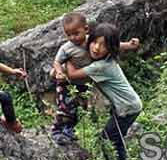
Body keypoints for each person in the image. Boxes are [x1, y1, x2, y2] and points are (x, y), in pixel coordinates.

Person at [64, 23, 142, 160]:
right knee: (115, 138)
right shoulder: (106, 55)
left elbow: (72, 75)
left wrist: (67, 58)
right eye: (94, 43)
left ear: (110, 49)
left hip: (127, 107)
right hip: (128, 104)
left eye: (103, 46)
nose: (96, 48)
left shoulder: (101, 66)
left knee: (106, 139)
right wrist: (129, 45)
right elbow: (109, 44)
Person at [51, 14, 139, 145]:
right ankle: (57, 131)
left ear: (86, 29)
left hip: (83, 83)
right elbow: (57, 62)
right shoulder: (66, 48)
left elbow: (113, 45)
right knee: (65, 108)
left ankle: (68, 130)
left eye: (76, 34)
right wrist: (58, 72)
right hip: (66, 82)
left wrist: (129, 45)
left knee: (79, 109)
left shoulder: (90, 41)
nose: (72, 38)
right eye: (68, 35)